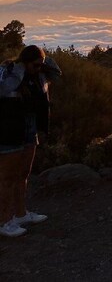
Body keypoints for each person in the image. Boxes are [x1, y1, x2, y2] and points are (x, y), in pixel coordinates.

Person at [0, 45, 61, 237]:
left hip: (29, 127)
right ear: (24, 62)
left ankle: (20, 214)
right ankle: (3, 221)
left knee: (23, 174)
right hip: (8, 129)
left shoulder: (39, 76)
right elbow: (7, 87)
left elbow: (57, 74)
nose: (39, 68)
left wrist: (44, 60)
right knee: (7, 178)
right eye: (35, 65)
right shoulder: (8, 73)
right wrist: (20, 67)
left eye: (40, 65)